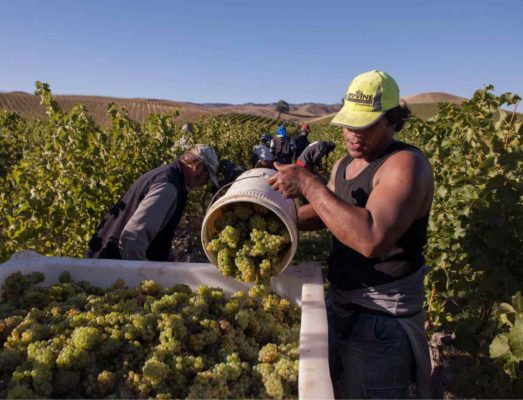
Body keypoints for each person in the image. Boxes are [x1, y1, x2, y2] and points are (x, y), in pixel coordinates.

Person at [268, 70, 434, 399]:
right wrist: (277, 220)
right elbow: (329, 210)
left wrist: (307, 184)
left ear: (392, 121)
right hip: (342, 300)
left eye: (366, 125)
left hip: (382, 317)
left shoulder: (404, 165)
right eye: (349, 123)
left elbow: (371, 238)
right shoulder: (344, 163)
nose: (354, 134)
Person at [87, 144, 219, 261]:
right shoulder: (168, 187)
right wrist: (145, 275)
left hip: (109, 262)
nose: (204, 184)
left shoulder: (166, 175)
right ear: (198, 167)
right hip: (113, 270)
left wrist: (168, 258)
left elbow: (155, 233)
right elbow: (132, 241)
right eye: (207, 177)